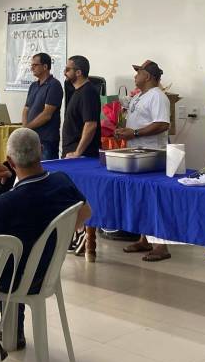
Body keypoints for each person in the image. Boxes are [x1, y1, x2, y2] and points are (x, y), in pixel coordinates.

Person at [0, 128, 91, 348]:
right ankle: (13, 332)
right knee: (20, 251)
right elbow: (85, 213)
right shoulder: (62, 181)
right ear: (40, 150)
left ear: (10, 161)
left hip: (16, 280)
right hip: (48, 272)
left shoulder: (6, 205)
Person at [115, 61, 172, 261]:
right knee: (141, 198)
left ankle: (161, 246)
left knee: (154, 200)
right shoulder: (140, 96)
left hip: (153, 154)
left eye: (138, 72)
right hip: (139, 153)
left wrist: (136, 133)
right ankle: (144, 239)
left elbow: (162, 124)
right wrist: (125, 131)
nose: (135, 76)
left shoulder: (158, 96)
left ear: (147, 76)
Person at [22, 53, 63, 160]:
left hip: (46, 140)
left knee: (46, 168)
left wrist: (26, 128)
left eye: (35, 65)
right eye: (31, 65)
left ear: (45, 67)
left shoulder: (54, 85)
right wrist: (25, 127)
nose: (32, 68)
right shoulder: (33, 85)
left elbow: (47, 115)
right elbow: (26, 109)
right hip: (31, 138)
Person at [61, 56, 102, 159]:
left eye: (67, 69)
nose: (64, 72)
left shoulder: (88, 92)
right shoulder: (78, 91)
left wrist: (77, 152)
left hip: (82, 156)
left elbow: (90, 125)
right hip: (73, 153)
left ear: (78, 72)